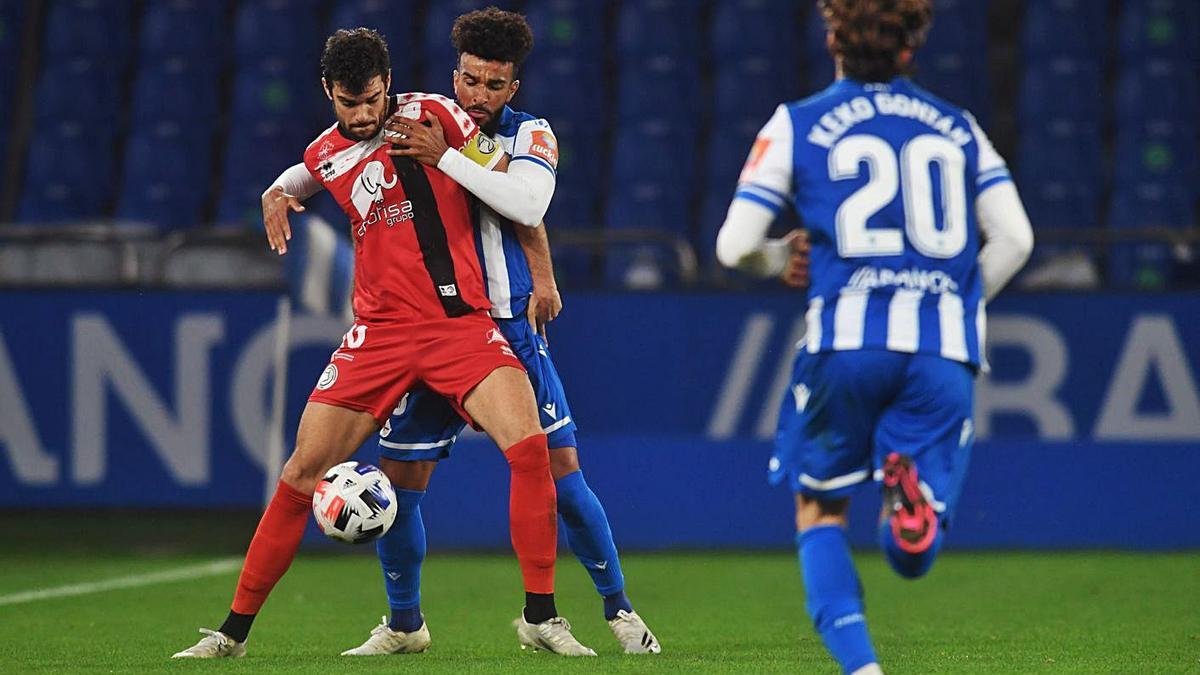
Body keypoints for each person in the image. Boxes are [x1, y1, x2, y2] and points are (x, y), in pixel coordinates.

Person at [173, 27, 591, 658]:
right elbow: (312, 169)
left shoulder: (437, 114)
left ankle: (541, 617)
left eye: (373, 99)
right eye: (350, 103)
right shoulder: (324, 155)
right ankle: (231, 634)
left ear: (387, 85)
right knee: (299, 475)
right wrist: (280, 191)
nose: (365, 115)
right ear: (328, 94)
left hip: (460, 326)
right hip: (379, 337)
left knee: (529, 450)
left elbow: (520, 196)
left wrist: (451, 158)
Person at [261, 8, 659, 657]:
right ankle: (402, 622)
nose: (477, 96)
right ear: (455, 76)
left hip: (509, 331)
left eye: (493, 85)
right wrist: (280, 186)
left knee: (563, 479)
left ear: (514, 90)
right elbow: (335, 152)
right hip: (437, 326)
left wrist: (543, 278)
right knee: (397, 483)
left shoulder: (527, 135)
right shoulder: (430, 117)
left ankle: (616, 609)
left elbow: (528, 208)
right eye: (469, 81)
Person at [715, 1, 1034, 673]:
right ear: (912, 48)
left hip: (847, 340)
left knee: (820, 507)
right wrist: (958, 304)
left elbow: (735, 244)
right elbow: (1017, 238)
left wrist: (780, 259)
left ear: (832, 37)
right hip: (943, 345)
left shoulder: (797, 123)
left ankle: (865, 669)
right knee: (911, 555)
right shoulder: (958, 126)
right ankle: (908, 512)